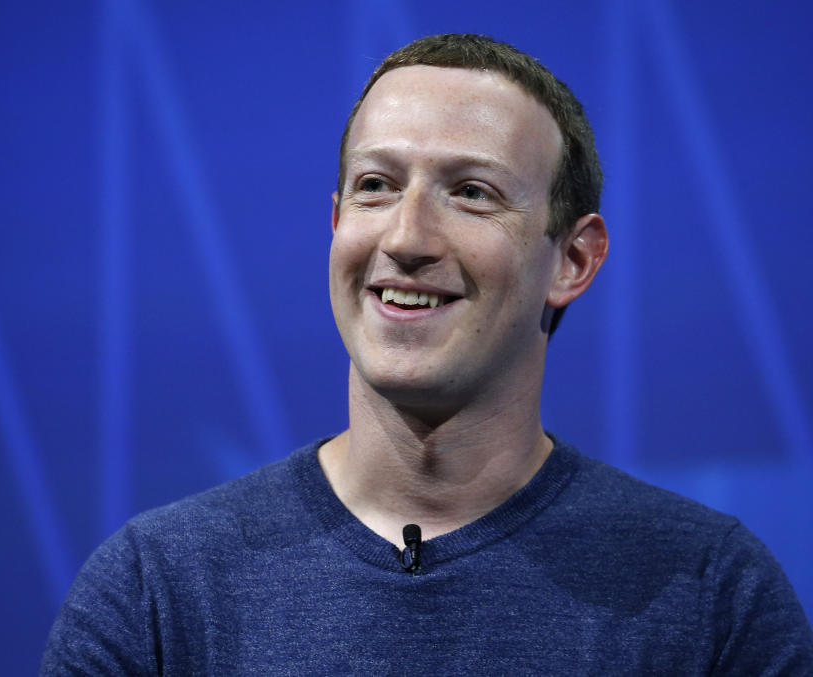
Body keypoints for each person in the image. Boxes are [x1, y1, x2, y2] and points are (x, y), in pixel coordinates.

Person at [41, 34, 813, 674]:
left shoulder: (711, 593)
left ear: (573, 260)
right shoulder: (158, 590)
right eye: (376, 185)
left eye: (472, 192)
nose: (405, 237)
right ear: (337, 222)